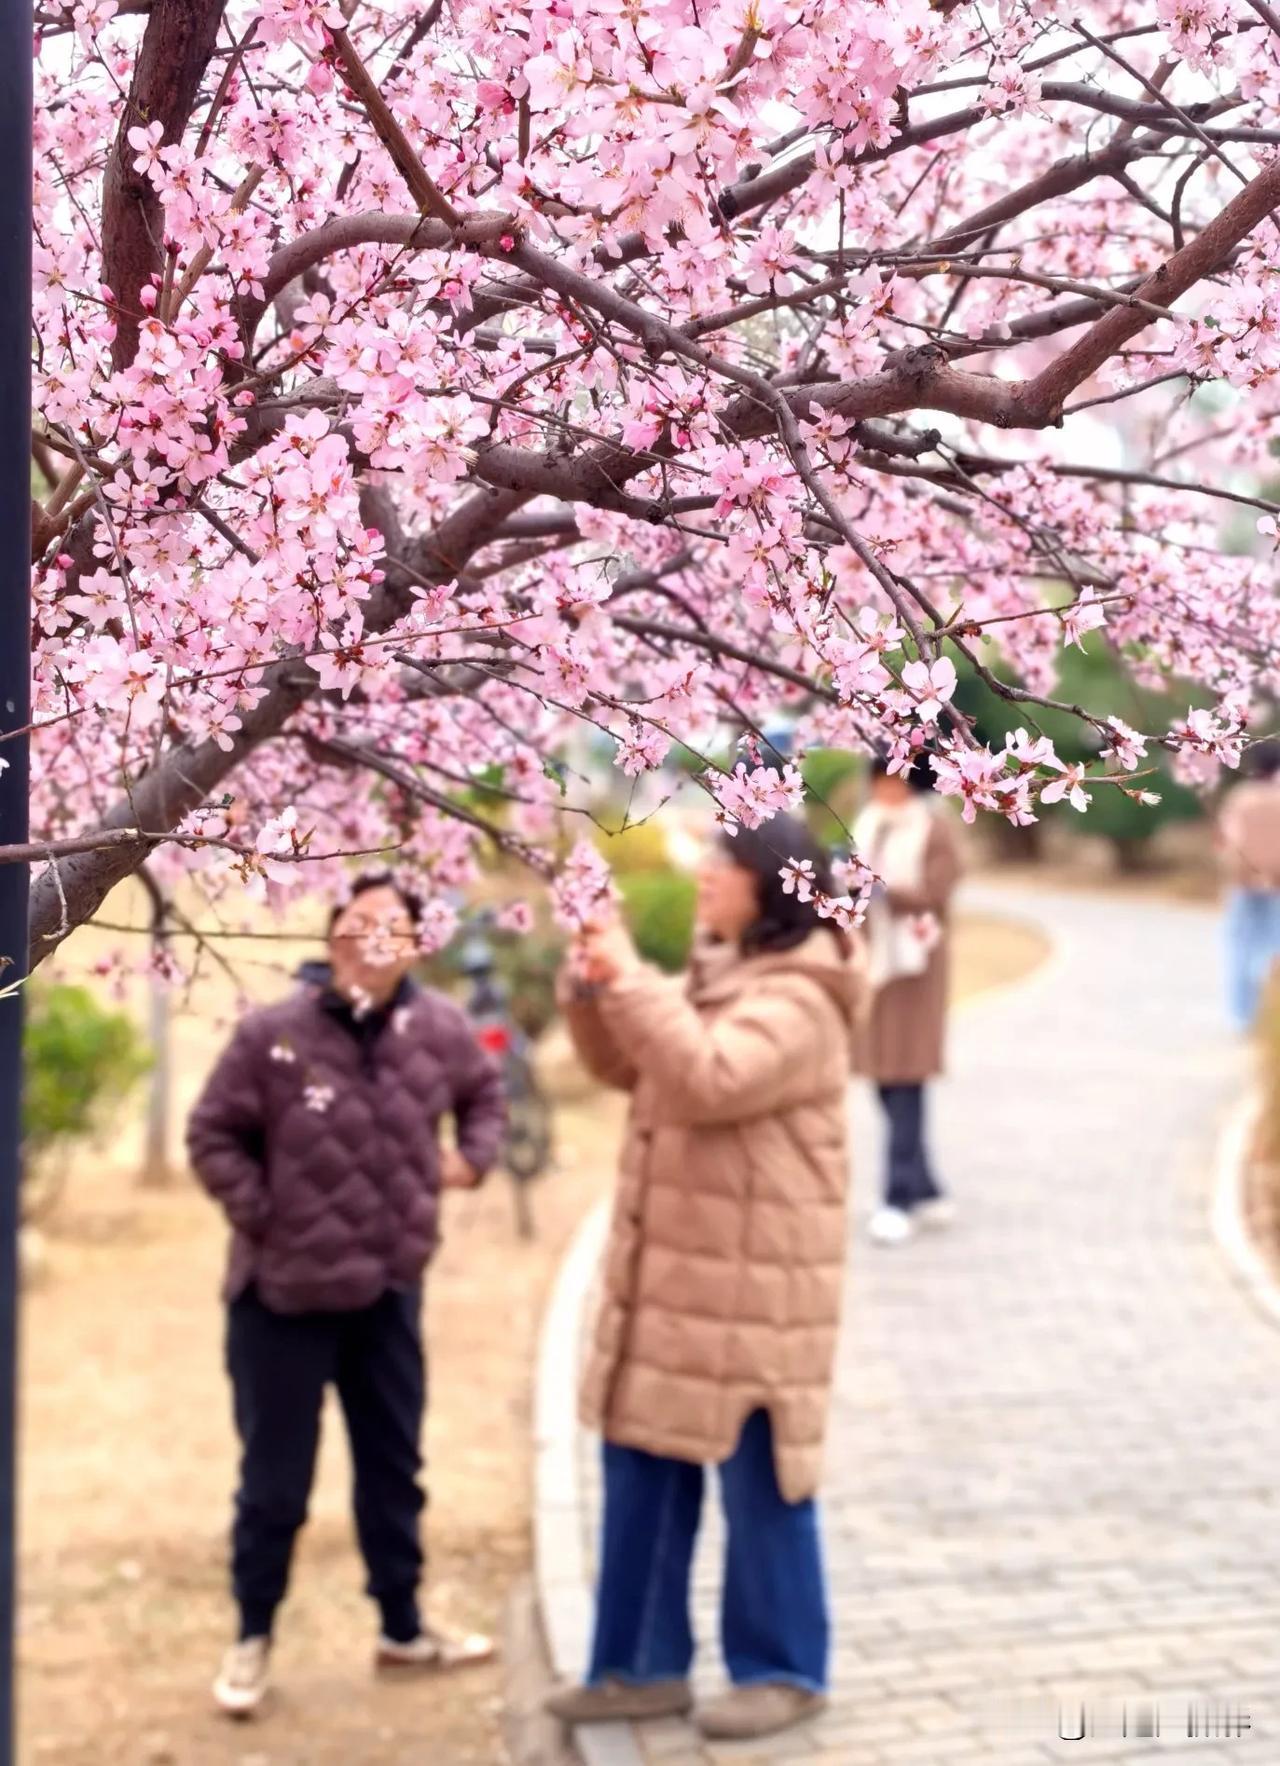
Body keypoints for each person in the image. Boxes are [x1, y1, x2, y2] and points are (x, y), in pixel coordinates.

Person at [545, 814, 864, 1744]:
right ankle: (637, 1667)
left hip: (757, 1289)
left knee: (762, 1479)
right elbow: (632, 1066)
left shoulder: (804, 996)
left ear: (771, 884)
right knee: (642, 1463)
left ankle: (785, 1669)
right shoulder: (725, 974)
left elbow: (708, 1076)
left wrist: (635, 977)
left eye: (722, 865)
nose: (706, 879)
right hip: (679, 1276)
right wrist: (594, 981)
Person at [186, 873, 507, 1718]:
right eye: (358, 923)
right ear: (331, 937)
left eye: (393, 927)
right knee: (275, 1484)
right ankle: (252, 1635)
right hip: (280, 1300)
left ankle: (403, 1627)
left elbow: (485, 1095)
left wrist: (472, 1160)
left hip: (388, 1291)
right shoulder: (274, 1036)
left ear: (416, 943)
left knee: (394, 1469)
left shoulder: (436, 1027)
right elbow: (210, 1130)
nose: (374, 940)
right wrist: (266, 1214)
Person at [854, 753, 962, 1247]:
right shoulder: (867, 825)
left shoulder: (933, 830)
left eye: (896, 783)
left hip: (915, 967)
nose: (887, 792)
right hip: (877, 966)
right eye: (880, 782)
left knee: (907, 1081)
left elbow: (936, 891)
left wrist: (881, 889)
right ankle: (926, 1186)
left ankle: (897, 1196)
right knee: (883, 1079)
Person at [1216, 741, 1280, 1033]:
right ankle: (1269, 1015)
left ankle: (1242, 1016)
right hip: (1277, 884)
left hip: (1244, 882)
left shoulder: (1241, 798)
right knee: (1272, 947)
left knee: (1240, 948)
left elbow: (1229, 842)